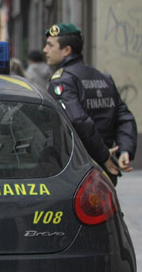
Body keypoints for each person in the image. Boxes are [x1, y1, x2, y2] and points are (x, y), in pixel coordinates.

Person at [44, 22, 137, 184]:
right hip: (106, 170)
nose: (45, 50)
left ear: (67, 51)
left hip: (77, 170)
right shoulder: (103, 78)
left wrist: (104, 156)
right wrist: (125, 150)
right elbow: (124, 117)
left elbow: (78, 120)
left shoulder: (63, 81)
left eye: (50, 45)